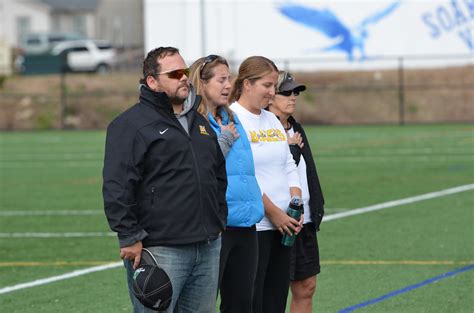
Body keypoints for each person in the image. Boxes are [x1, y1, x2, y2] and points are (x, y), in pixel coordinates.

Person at [102, 46, 227, 313]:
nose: (184, 77)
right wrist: (128, 236)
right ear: (152, 81)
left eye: (184, 70)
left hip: (206, 245)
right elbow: (117, 187)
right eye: (174, 73)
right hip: (160, 249)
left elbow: (217, 174)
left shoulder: (199, 122)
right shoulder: (130, 125)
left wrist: (218, 219)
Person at [188, 55, 264, 313]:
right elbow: (201, 166)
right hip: (218, 227)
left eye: (229, 79)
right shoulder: (192, 123)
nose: (228, 85)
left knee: (242, 304)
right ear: (202, 82)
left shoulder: (232, 117)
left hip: (246, 224)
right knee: (204, 305)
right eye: (221, 79)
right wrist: (225, 139)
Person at [229, 56, 302, 313]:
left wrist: (295, 202)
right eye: (267, 85)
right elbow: (242, 174)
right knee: (252, 302)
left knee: (275, 300)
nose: (273, 92)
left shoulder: (271, 120)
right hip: (256, 226)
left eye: (274, 86)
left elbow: (288, 165)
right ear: (247, 84)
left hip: (285, 226)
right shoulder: (234, 118)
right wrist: (274, 213)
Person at [267, 71, 325, 313]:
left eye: (296, 92)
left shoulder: (296, 128)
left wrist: (316, 207)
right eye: (286, 92)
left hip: (304, 219)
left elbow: (305, 171)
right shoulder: (263, 129)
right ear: (270, 95)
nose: (293, 97)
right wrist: (285, 148)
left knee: (306, 286)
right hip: (275, 222)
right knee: (271, 291)